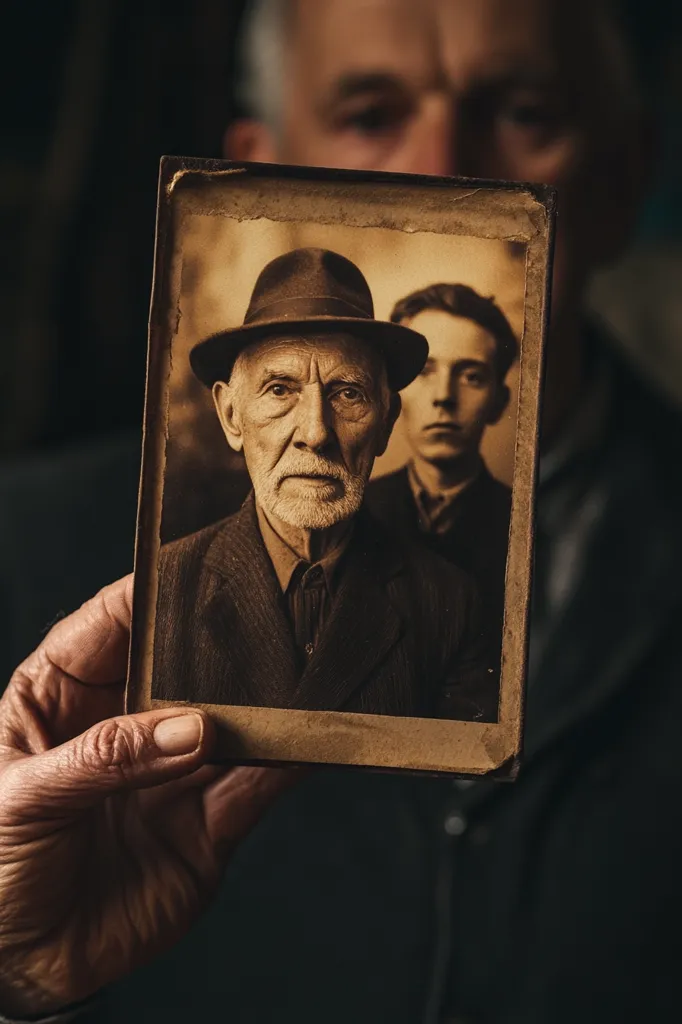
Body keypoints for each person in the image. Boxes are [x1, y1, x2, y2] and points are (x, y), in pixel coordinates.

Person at [1, 1, 682, 1022]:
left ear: (627, 173)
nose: (446, 166)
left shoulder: (449, 585)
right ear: (257, 167)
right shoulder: (23, 547)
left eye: (525, 109)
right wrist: (17, 979)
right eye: (369, 112)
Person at [153, 247, 493, 719]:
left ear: (386, 422)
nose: (315, 434)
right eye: (280, 390)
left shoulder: (451, 604)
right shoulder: (159, 590)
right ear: (231, 416)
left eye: (347, 394)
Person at [367, 284, 518, 655]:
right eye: (425, 372)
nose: (444, 396)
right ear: (391, 395)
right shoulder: (351, 513)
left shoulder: (527, 527)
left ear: (498, 403)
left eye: (472, 376)